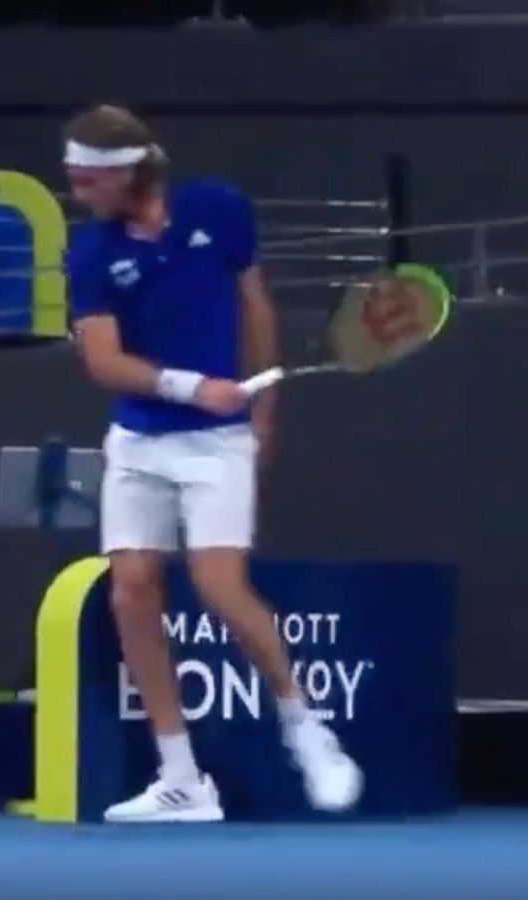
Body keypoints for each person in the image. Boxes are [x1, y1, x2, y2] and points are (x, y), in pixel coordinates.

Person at [62, 105, 363, 824]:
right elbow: (103, 361)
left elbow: (254, 308)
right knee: (131, 592)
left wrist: (263, 410)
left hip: (217, 443)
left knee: (219, 585)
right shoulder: (90, 252)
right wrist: (192, 386)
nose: (77, 192)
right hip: (138, 441)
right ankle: (180, 779)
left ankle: (305, 728)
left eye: (87, 180)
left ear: (127, 173)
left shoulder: (219, 210)